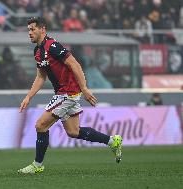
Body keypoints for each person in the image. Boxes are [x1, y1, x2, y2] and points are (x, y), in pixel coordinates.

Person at [18, 17, 123, 174]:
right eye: (29, 30)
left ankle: (37, 165)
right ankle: (112, 141)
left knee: (40, 125)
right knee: (73, 132)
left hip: (67, 93)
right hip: (65, 93)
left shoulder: (52, 46)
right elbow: (41, 77)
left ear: (42, 29)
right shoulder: (38, 52)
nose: (30, 33)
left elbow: (74, 64)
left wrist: (85, 88)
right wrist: (28, 97)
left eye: (33, 29)